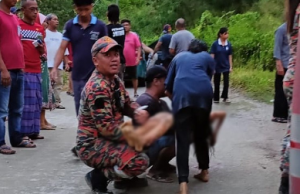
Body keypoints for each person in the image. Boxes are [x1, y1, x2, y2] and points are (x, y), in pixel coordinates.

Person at [75, 36, 173, 193]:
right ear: (95, 61)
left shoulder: (114, 80)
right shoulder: (97, 87)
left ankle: (123, 178)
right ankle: (99, 177)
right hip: (92, 145)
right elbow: (106, 128)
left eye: (115, 54)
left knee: (146, 142)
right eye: (107, 55)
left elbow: (127, 103)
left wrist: (136, 111)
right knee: (139, 161)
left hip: (109, 138)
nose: (115, 59)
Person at [165, 39, 215, 194]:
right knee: (201, 133)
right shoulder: (207, 57)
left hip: (182, 96)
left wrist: (178, 101)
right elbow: (207, 78)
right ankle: (204, 171)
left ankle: (183, 184)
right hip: (204, 95)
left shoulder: (178, 57)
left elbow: (167, 87)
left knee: (182, 139)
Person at [50, 0, 107, 116]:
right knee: (80, 108)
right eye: (80, 10)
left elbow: (107, 49)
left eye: (87, 9)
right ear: (75, 8)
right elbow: (62, 48)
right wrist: (55, 67)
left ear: (92, 7)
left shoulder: (100, 26)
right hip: (78, 76)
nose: (84, 13)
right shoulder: (70, 25)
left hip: (97, 75)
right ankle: (83, 133)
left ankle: (97, 133)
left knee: (98, 108)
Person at [0, 0, 33, 154]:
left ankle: (16, 138)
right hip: (5, 70)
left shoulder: (13, 17)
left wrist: (22, 66)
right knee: (2, 110)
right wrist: (3, 70)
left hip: (19, 69)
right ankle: (0, 142)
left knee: (17, 108)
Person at [136, 66, 175, 183]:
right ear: (156, 81)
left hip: (152, 144)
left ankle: (162, 164)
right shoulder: (146, 102)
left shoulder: (160, 102)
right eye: (166, 81)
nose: (168, 84)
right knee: (181, 138)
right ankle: (154, 170)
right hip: (142, 151)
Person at [279, 1, 300, 193]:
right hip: (296, 78)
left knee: (294, 128)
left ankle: (286, 179)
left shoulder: (295, 10)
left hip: (293, 76)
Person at [19, 0, 46, 144]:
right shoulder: (18, 26)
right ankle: (24, 132)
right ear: (23, 10)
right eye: (32, 9)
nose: (35, 12)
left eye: (37, 9)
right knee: (26, 103)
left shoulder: (39, 28)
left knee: (36, 101)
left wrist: (42, 51)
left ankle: (34, 130)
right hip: (24, 68)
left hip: (37, 68)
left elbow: (43, 49)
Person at [37, 13, 57, 131]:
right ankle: (41, 121)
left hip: (43, 64)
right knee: (42, 92)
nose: (46, 24)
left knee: (45, 92)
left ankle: (43, 120)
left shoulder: (42, 35)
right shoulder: (38, 35)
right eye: (44, 21)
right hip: (40, 66)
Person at [45, 13, 69, 109]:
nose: (57, 21)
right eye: (54, 19)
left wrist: (66, 62)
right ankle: (47, 102)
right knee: (47, 83)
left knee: (58, 83)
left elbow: (64, 50)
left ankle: (57, 102)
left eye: (57, 19)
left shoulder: (60, 35)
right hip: (46, 63)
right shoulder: (44, 33)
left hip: (57, 64)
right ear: (48, 21)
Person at [272, 23, 290, 123]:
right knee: (280, 90)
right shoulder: (281, 29)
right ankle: (278, 115)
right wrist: (278, 63)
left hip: (292, 65)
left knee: (289, 91)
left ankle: (286, 114)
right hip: (284, 64)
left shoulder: (295, 29)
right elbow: (277, 48)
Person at [211, 27, 233, 103]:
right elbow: (212, 56)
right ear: (221, 34)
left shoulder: (228, 44)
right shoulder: (215, 44)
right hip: (217, 65)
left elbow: (230, 56)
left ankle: (225, 97)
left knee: (226, 82)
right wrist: (212, 67)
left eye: (227, 33)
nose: (227, 35)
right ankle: (216, 98)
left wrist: (231, 66)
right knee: (216, 82)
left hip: (226, 66)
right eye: (225, 33)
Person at [121, 19, 141, 97]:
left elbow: (138, 47)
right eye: (123, 25)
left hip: (132, 61)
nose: (125, 26)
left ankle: (135, 92)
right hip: (122, 61)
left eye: (127, 25)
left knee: (134, 77)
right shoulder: (120, 36)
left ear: (130, 26)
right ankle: (123, 94)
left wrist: (138, 57)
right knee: (121, 78)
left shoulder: (134, 35)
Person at [106, 4, 126, 81]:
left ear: (108, 14)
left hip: (111, 62)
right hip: (121, 59)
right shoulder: (122, 28)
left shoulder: (107, 29)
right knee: (120, 84)